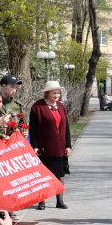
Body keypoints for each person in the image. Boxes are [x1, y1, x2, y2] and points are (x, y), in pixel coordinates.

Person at [29, 81, 71, 210]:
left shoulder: (61, 106)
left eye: (58, 92)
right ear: (47, 93)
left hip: (60, 147)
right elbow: (33, 129)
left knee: (60, 174)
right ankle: (42, 201)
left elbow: (66, 127)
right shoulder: (37, 107)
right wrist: (35, 145)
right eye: (54, 92)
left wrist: (68, 145)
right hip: (44, 147)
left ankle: (60, 200)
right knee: (44, 175)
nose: (57, 95)